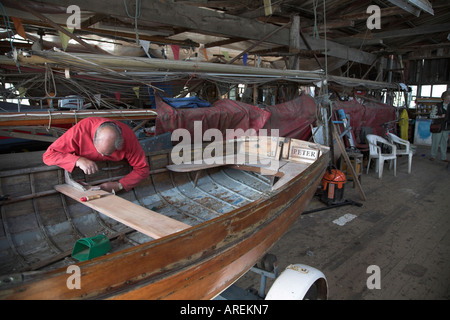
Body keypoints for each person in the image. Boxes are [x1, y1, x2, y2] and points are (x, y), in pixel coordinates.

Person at [43, 117, 149, 192]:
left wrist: (119, 185)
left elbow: (142, 169)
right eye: (99, 152)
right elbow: (48, 156)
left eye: (107, 154)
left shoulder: (128, 137)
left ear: (119, 145)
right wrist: (78, 160)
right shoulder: (81, 130)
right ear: (93, 138)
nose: (101, 157)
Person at [430, 90, 450, 162]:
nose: (448, 100)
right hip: (438, 126)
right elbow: (431, 115)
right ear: (443, 98)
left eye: (449, 98)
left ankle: (443, 157)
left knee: (444, 143)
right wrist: (440, 116)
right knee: (435, 142)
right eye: (447, 98)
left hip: (446, 127)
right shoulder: (437, 106)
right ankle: (433, 155)